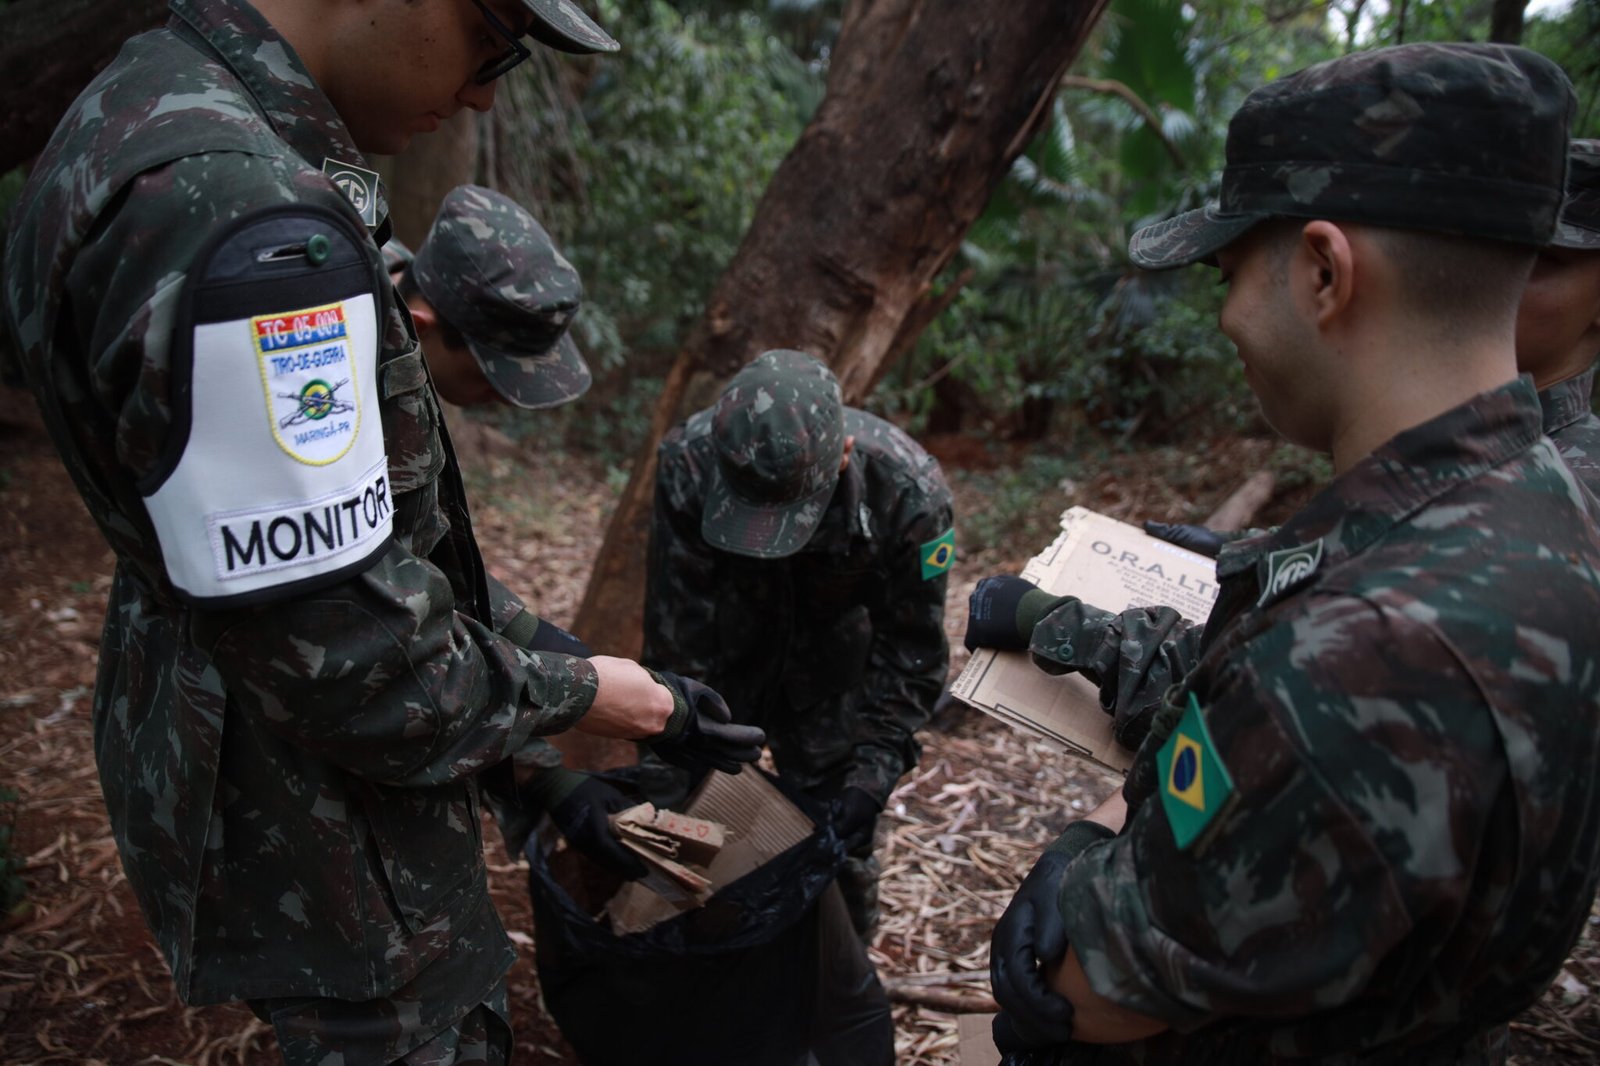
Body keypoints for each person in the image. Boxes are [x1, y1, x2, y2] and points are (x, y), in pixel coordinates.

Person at [1, 1, 762, 1062]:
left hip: (254, 736)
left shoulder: (150, 104)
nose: (488, 92)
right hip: (324, 827)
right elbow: (359, 668)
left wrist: (560, 691)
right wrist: (595, 697)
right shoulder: (252, 219)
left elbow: (359, 571)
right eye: (493, 42)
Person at [963, 43, 1600, 1063]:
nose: (1223, 317)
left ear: (1322, 270)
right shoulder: (1561, 506)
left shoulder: (1356, 654)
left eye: (1225, 275)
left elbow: (1089, 991)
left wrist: (1082, 855)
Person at [1148, 136, 1600, 555]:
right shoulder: (1450, 437)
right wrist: (1256, 553)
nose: (1499, 274)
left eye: (1537, 260)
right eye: (1484, 247)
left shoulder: (1573, 491)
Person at [643, 348, 954, 937]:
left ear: (843, 455)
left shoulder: (910, 496)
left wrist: (873, 769)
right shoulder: (688, 463)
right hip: (724, 662)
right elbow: (674, 631)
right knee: (684, 830)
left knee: (840, 847)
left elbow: (912, 651)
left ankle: (842, 971)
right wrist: (669, 768)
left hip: (829, 674)